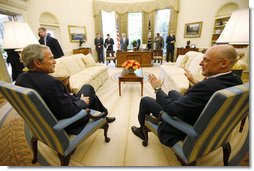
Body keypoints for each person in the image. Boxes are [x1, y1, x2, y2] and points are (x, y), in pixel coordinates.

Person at [131, 44, 242, 147]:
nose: (200, 63)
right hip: (204, 115)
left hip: (187, 123)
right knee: (172, 92)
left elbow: (172, 109)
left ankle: (141, 130)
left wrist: (158, 88)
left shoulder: (206, 86)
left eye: (206, 60)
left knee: (145, 100)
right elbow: (212, 91)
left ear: (224, 63)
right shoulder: (236, 80)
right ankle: (170, 101)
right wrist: (194, 82)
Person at [15, 44, 115, 135]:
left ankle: (102, 116)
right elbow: (69, 111)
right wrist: (82, 102)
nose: (54, 62)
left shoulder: (20, 78)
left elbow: (53, 99)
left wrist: (69, 97)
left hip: (52, 113)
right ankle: (103, 116)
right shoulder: (51, 83)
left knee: (85, 91)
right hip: (70, 122)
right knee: (88, 89)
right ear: (37, 63)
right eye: (51, 58)